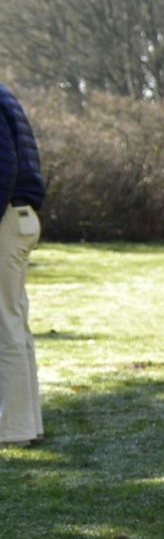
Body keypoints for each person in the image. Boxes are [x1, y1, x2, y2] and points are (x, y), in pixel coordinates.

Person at [0, 82, 44, 447]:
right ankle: (28, 424)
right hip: (21, 217)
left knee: (5, 326)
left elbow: (4, 166)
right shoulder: (4, 95)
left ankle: (12, 430)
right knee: (14, 323)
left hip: (6, 220)